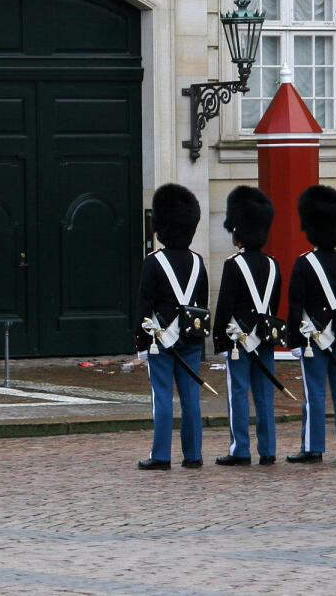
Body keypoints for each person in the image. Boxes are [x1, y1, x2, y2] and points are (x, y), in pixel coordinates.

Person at [135, 184, 208, 471]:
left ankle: (161, 455)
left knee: (162, 397)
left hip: (161, 341)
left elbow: (144, 305)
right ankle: (193, 455)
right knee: (191, 399)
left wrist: (141, 342)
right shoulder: (198, 262)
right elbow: (202, 305)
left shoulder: (153, 262)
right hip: (191, 340)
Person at [285, 185, 336, 464]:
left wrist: (294, 339)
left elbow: (296, 305)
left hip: (312, 339)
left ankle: (313, 447)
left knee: (314, 393)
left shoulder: (304, 263)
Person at [212, 186, 282, 467]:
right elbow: (274, 303)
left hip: (239, 339)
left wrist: (219, 337)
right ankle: (268, 449)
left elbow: (225, 304)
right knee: (265, 395)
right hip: (264, 337)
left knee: (238, 394)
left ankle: (240, 449)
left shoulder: (233, 264)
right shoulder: (273, 264)